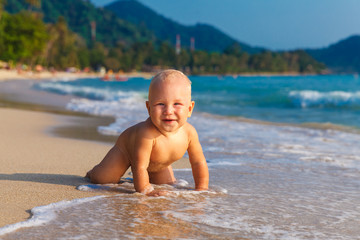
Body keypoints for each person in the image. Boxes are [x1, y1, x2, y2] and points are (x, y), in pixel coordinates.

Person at [86, 69, 209, 196]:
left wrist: (202, 188)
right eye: (161, 104)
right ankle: (93, 172)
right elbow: (139, 167)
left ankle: (149, 178)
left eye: (177, 104)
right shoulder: (147, 133)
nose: (168, 110)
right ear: (149, 108)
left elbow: (198, 162)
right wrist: (146, 190)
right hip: (126, 151)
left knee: (167, 184)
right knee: (104, 179)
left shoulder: (189, 133)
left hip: (158, 164)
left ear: (189, 109)